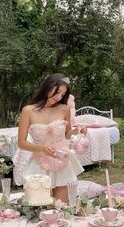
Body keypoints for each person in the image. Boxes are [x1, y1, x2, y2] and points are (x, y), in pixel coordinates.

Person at [18, 73, 86, 202]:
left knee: (63, 207)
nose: (59, 96)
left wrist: (77, 130)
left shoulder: (64, 109)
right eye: (58, 91)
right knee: (42, 208)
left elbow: (67, 134)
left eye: (62, 94)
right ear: (48, 86)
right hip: (39, 165)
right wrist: (42, 148)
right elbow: (21, 143)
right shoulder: (28, 111)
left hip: (62, 163)